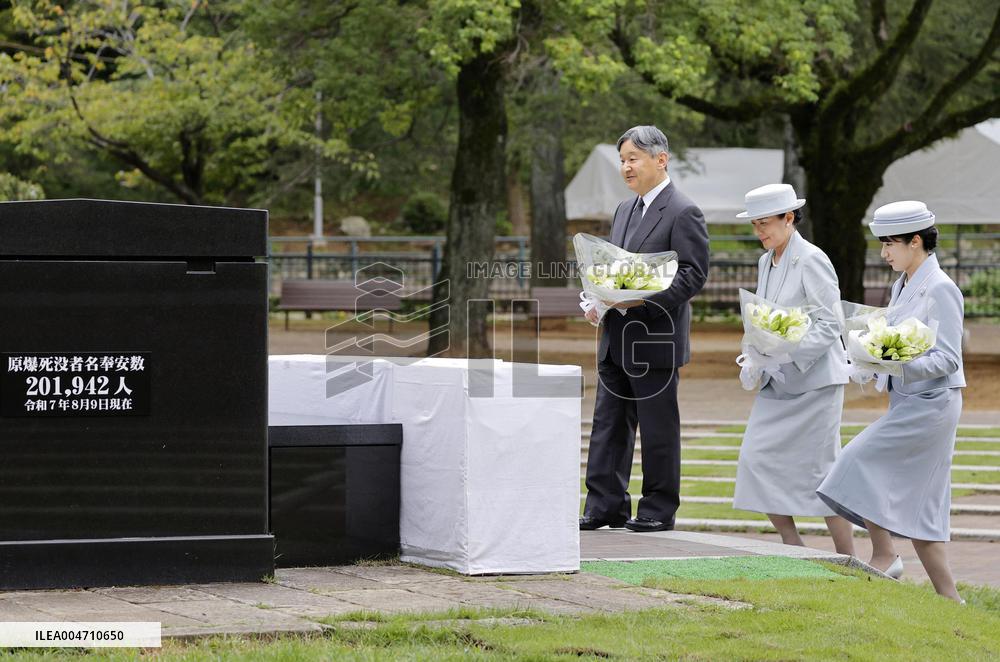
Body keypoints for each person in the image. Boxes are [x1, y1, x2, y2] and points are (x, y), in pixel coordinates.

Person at [817, 200, 965, 602]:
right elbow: (895, 342)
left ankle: (884, 554)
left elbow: (948, 359)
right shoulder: (902, 283)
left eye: (889, 244)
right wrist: (869, 360)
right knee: (923, 510)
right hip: (909, 402)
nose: (884, 253)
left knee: (854, 460)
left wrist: (893, 362)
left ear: (915, 242)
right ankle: (951, 600)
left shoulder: (941, 288)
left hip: (933, 405)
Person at [580, 125, 710, 532]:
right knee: (608, 425)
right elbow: (615, 270)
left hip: (655, 341)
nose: (626, 167)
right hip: (615, 339)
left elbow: (692, 275)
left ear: (661, 159)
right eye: (622, 160)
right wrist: (599, 299)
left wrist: (641, 301)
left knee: (658, 430)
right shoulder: (624, 210)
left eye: (633, 158)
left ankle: (657, 509)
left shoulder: (683, 211)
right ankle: (604, 506)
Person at [731, 184, 856, 555]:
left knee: (821, 471)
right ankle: (792, 543)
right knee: (755, 459)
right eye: (755, 225)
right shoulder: (764, 261)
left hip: (816, 383)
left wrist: (789, 353)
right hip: (778, 382)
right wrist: (755, 355)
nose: (760, 232)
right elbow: (762, 318)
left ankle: (847, 555)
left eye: (765, 223)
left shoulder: (812, 258)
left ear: (789, 218)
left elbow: (831, 323)